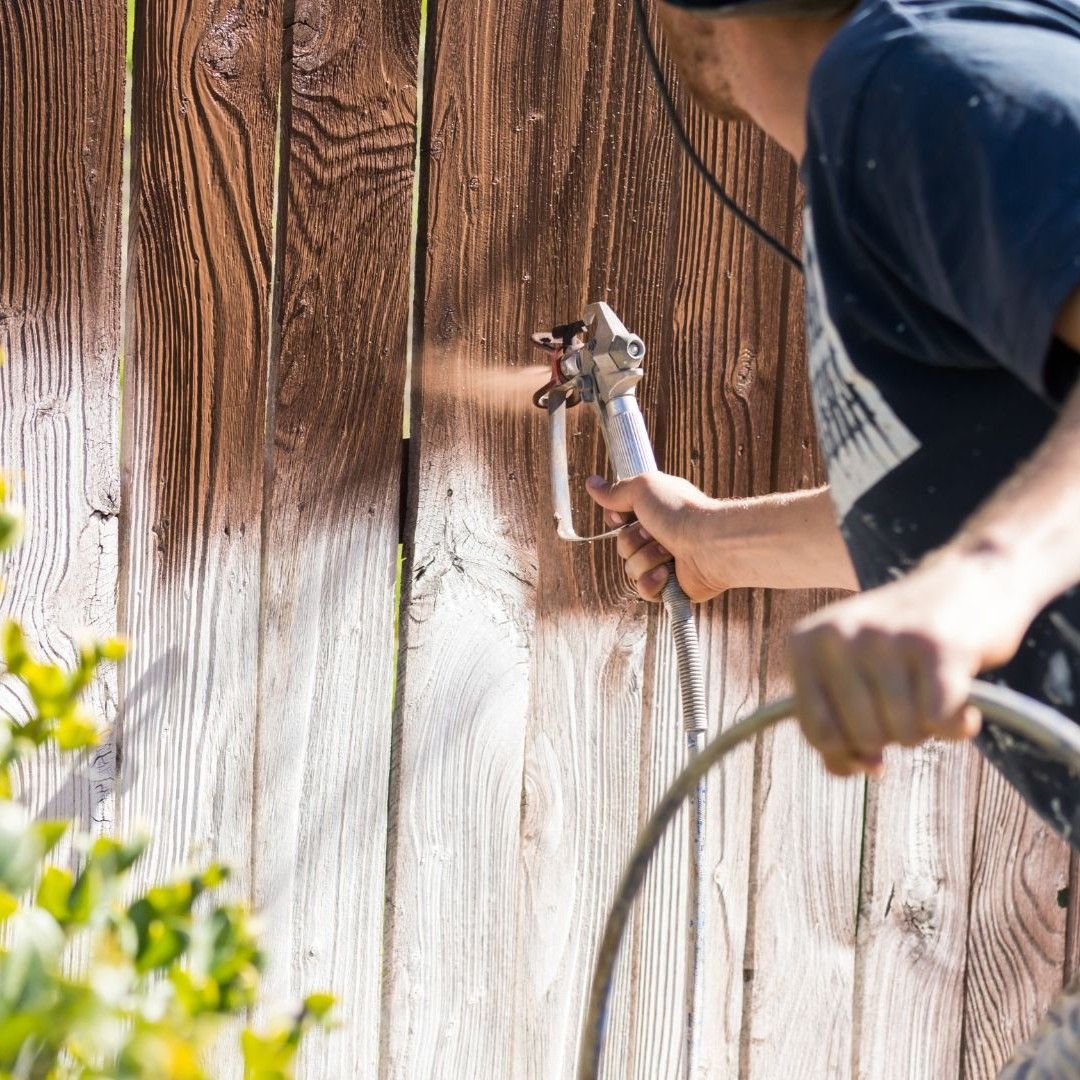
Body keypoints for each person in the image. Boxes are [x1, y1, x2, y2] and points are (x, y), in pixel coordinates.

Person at [585, 0, 1080, 1068]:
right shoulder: (917, 98)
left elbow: (989, 549)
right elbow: (985, 489)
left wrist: (983, 584)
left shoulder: (903, 78)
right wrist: (717, 538)